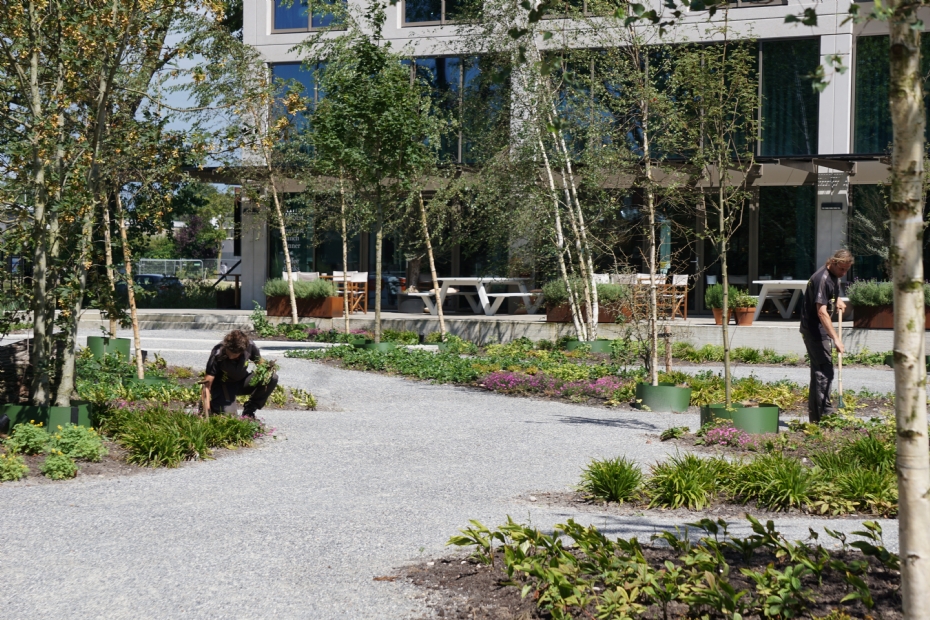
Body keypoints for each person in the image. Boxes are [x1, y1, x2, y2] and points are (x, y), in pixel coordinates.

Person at [799, 249, 854, 423]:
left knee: (819, 372)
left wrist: (836, 299)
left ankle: (816, 418)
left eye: (847, 270)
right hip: (815, 331)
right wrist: (836, 338)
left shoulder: (832, 275)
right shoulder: (822, 278)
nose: (844, 273)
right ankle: (825, 415)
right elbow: (822, 312)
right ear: (834, 262)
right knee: (824, 372)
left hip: (817, 329)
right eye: (842, 269)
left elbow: (825, 297)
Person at [202, 330, 278, 418]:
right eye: (229, 353)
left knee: (271, 377)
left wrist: (269, 367)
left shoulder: (250, 346)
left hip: (242, 382)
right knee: (230, 417)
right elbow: (206, 385)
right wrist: (206, 410)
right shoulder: (217, 354)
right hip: (223, 386)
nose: (231, 357)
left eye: (234, 355)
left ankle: (250, 408)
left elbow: (261, 363)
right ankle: (214, 405)